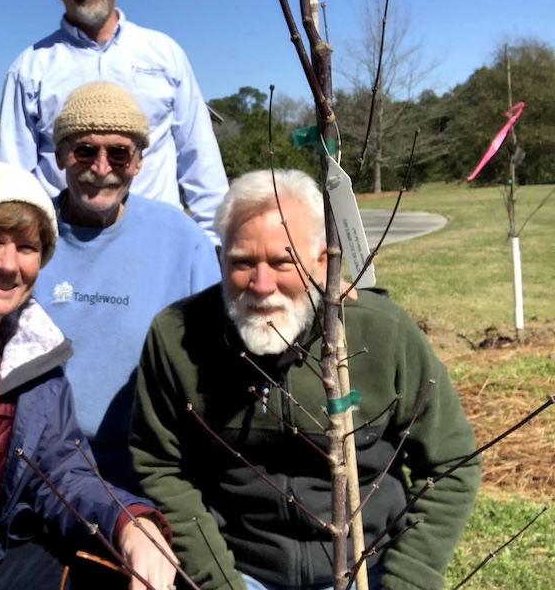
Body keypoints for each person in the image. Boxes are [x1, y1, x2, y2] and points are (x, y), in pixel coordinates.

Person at [131, 169, 481, 590]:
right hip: (241, 570)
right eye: (243, 263)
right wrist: (219, 582)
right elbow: (161, 465)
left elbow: (449, 465)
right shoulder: (177, 338)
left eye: (284, 262)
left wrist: (408, 580)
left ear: (322, 261)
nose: (262, 285)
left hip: (370, 567)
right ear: (220, 258)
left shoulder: (382, 334)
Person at [0, 162, 177, 590]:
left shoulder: (36, 363)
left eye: (27, 248)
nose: (7, 264)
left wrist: (132, 524)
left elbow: (62, 472)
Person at [0, 0, 229, 244]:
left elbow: (200, 161)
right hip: (62, 250)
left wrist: (215, 248)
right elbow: (10, 179)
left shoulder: (165, 54)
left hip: (159, 245)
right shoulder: (29, 68)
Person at [34, 81, 219, 491]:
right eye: (85, 150)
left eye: (119, 152)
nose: (101, 168)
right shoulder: (28, 232)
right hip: (41, 466)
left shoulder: (181, 238)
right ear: (62, 154)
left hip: (155, 469)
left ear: (138, 162)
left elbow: (227, 340)